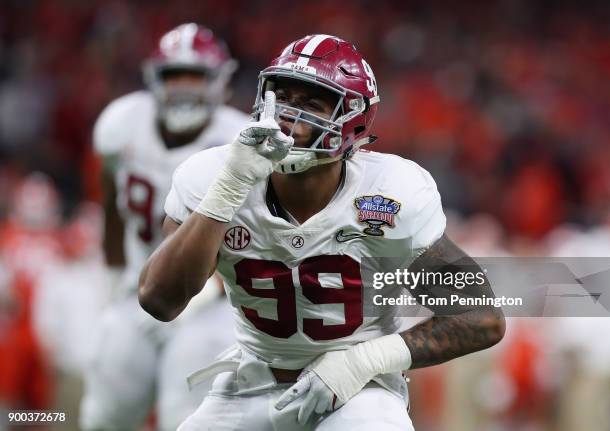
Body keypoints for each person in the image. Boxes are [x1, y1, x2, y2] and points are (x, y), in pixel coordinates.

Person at [139, 34, 505, 430]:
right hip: (252, 383)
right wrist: (227, 190)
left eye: (311, 104)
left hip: (357, 392)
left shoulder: (390, 192)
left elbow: (480, 316)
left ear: (354, 119)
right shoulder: (213, 175)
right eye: (282, 99)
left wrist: (361, 361)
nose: (288, 118)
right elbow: (160, 300)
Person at [79, 23, 249, 431]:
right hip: (136, 293)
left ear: (219, 82)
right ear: (155, 78)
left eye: (197, 76)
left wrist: (208, 290)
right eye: (175, 76)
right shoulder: (122, 124)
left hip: (212, 304)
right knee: (103, 416)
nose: (185, 87)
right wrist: (114, 276)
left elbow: (256, 236)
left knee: (187, 419)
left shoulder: (241, 139)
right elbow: (113, 206)